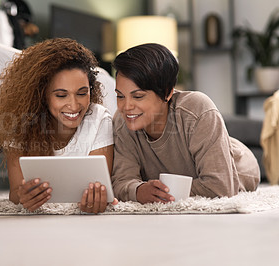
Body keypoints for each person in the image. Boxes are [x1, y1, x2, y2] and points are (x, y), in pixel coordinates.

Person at [111, 43, 260, 204]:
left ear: (167, 92)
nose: (126, 107)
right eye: (120, 96)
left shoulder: (197, 109)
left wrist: (162, 191)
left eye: (138, 96)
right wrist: (139, 191)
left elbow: (221, 186)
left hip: (238, 167)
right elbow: (120, 183)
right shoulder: (121, 121)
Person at [0, 38, 116, 213]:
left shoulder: (99, 119)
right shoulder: (20, 122)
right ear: (42, 95)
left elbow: (100, 189)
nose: (73, 105)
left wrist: (96, 200)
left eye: (82, 93)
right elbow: (15, 193)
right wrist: (24, 196)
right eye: (61, 95)